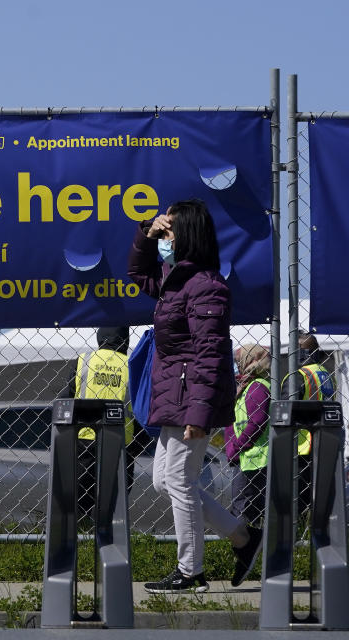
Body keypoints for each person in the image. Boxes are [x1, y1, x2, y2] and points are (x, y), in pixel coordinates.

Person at [128, 198, 262, 594]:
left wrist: (199, 414)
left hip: (193, 400)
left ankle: (191, 571)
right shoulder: (175, 280)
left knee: (180, 481)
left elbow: (209, 356)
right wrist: (144, 234)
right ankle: (243, 537)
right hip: (176, 395)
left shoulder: (206, 286)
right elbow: (137, 273)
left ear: (187, 234)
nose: (163, 236)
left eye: (168, 230)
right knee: (162, 481)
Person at [58, 326, 136, 521]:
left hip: (85, 440)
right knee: (114, 504)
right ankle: (107, 537)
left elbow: (67, 396)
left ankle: (81, 536)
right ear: (125, 340)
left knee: (79, 501)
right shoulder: (132, 365)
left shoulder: (84, 360)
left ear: (100, 338)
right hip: (120, 443)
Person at [283, 331, 336, 516]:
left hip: (301, 445)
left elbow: (283, 414)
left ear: (301, 353)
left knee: (296, 502)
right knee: (317, 499)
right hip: (324, 442)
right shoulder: (325, 374)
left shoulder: (299, 376)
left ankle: (295, 539)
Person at [224, 344, 271, 526]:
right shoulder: (248, 385)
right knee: (246, 511)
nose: (236, 365)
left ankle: (245, 549)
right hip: (248, 457)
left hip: (255, 459)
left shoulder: (257, 387)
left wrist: (236, 446)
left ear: (250, 361)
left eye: (238, 361)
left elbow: (256, 422)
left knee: (241, 512)